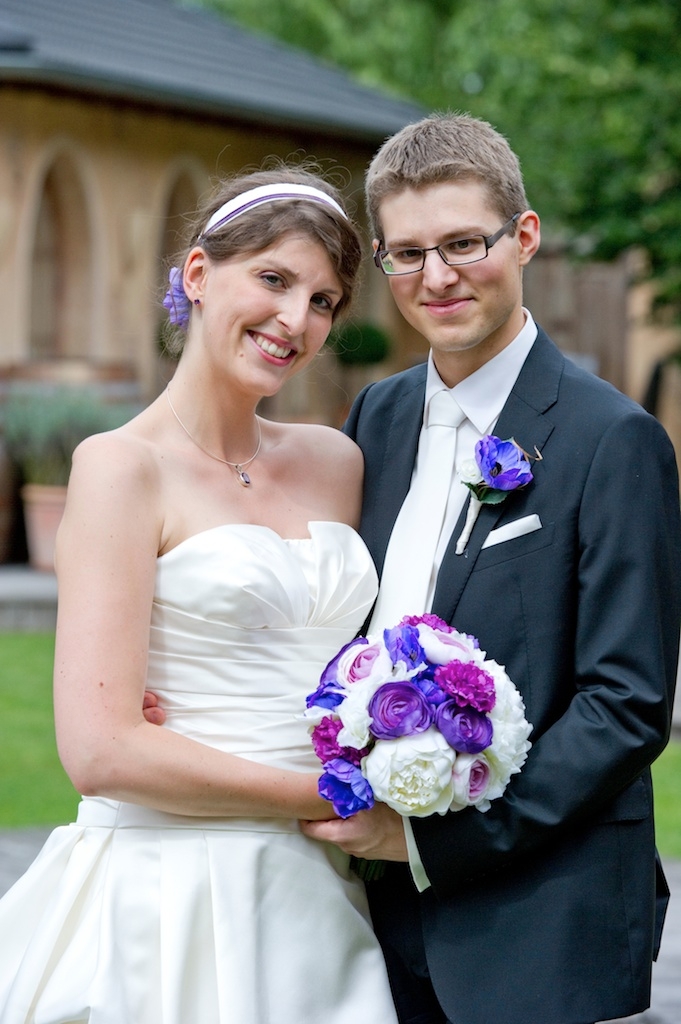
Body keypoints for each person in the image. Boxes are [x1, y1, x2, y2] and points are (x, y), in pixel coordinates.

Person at [301, 113, 681, 1024]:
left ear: (524, 236)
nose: (436, 277)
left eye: (463, 243)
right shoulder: (375, 417)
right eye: (406, 254)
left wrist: (432, 841)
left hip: (537, 917)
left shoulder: (612, 438)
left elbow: (625, 704)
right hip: (371, 921)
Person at [0, 166, 399, 1024]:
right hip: (168, 889)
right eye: (272, 279)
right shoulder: (119, 468)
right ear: (195, 275)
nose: (295, 320)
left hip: (319, 901)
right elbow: (101, 752)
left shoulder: (337, 463)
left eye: (323, 301)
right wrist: (338, 797)